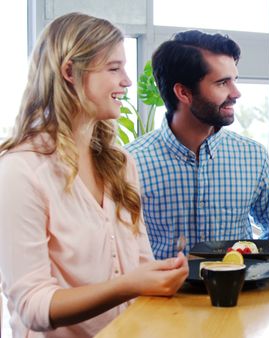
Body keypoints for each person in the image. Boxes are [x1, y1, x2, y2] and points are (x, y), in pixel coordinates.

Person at [0, 13, 188, 337]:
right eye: (114, 68)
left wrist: (160, 275)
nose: (127, 81)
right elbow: (32, 306)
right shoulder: (21, 171)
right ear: (70, 71)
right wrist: (127, 285)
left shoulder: (121, 164)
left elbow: (140, 265)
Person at [126, 30, 269, 260]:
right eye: (222, 83)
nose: (236, 93)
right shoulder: (132, 162)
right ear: (183, 92)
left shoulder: (253, 157)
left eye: (234, 80)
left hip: (241, 292)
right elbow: (121, 250)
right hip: (162, 295)